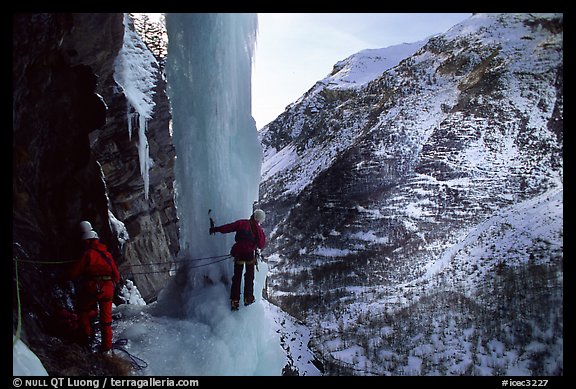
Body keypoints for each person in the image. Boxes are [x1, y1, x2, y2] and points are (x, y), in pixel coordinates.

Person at [64, 221, 120, 352]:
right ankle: (106, 346)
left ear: (86, 241)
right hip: (108, 288)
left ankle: (87, 337)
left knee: (83, 310)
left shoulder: (88, 254)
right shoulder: (106, 254)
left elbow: (74, 273)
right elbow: (115, 273)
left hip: (94, 287)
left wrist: (62, 276)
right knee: (106, 319)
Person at [210, 209, 266, 311]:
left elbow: (228, 227)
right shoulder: (259, 230)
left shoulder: (242, 223)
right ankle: (248, 298)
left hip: (238, 253)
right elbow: (261, 245)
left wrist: (216, 229)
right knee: (249, 277)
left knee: (237, 277)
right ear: (259, 220)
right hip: (249, 255)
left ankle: (234, 301)